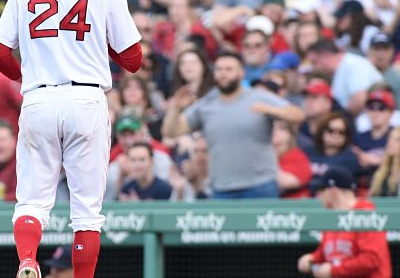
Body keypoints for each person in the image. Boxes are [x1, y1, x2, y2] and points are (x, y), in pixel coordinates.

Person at [0, 0, 142, 278]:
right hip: (85, 98)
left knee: (31, 203)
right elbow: (134, 60)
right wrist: (95, 45)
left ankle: (27, 259)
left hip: (39, 97)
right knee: (86, 214)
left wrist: (29, 74)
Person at [163, 53, 304, 199]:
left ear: (241, 73)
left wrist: (270, 110)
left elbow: (298, 115)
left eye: (229, 69)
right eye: (219, 69)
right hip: (221, 188)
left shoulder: (259, 97)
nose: (223, 74)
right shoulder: (206, 104)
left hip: (261, 185)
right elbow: (171, 132)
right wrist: (175, 109)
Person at [298, 166, 394, 278]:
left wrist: (334, 270)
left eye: (321, 191)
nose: (318, 196)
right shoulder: (332, 218)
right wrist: (313, 258)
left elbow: (371, 260)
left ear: (333, 190)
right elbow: (329, 250)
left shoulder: (365, 213)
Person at [306, 40, 383, 116]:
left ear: (326, 55)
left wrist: (343, 118)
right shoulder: (340, 69)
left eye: (314, 62)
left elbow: (359, 99)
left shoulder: (353, 64)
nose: (313, 67)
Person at [273, 120, 312, 199]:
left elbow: (286, 182)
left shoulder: (297, 156)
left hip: (292, 205)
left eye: (282, 128)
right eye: (271, 128)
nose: (276, 132)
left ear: (290, 134)